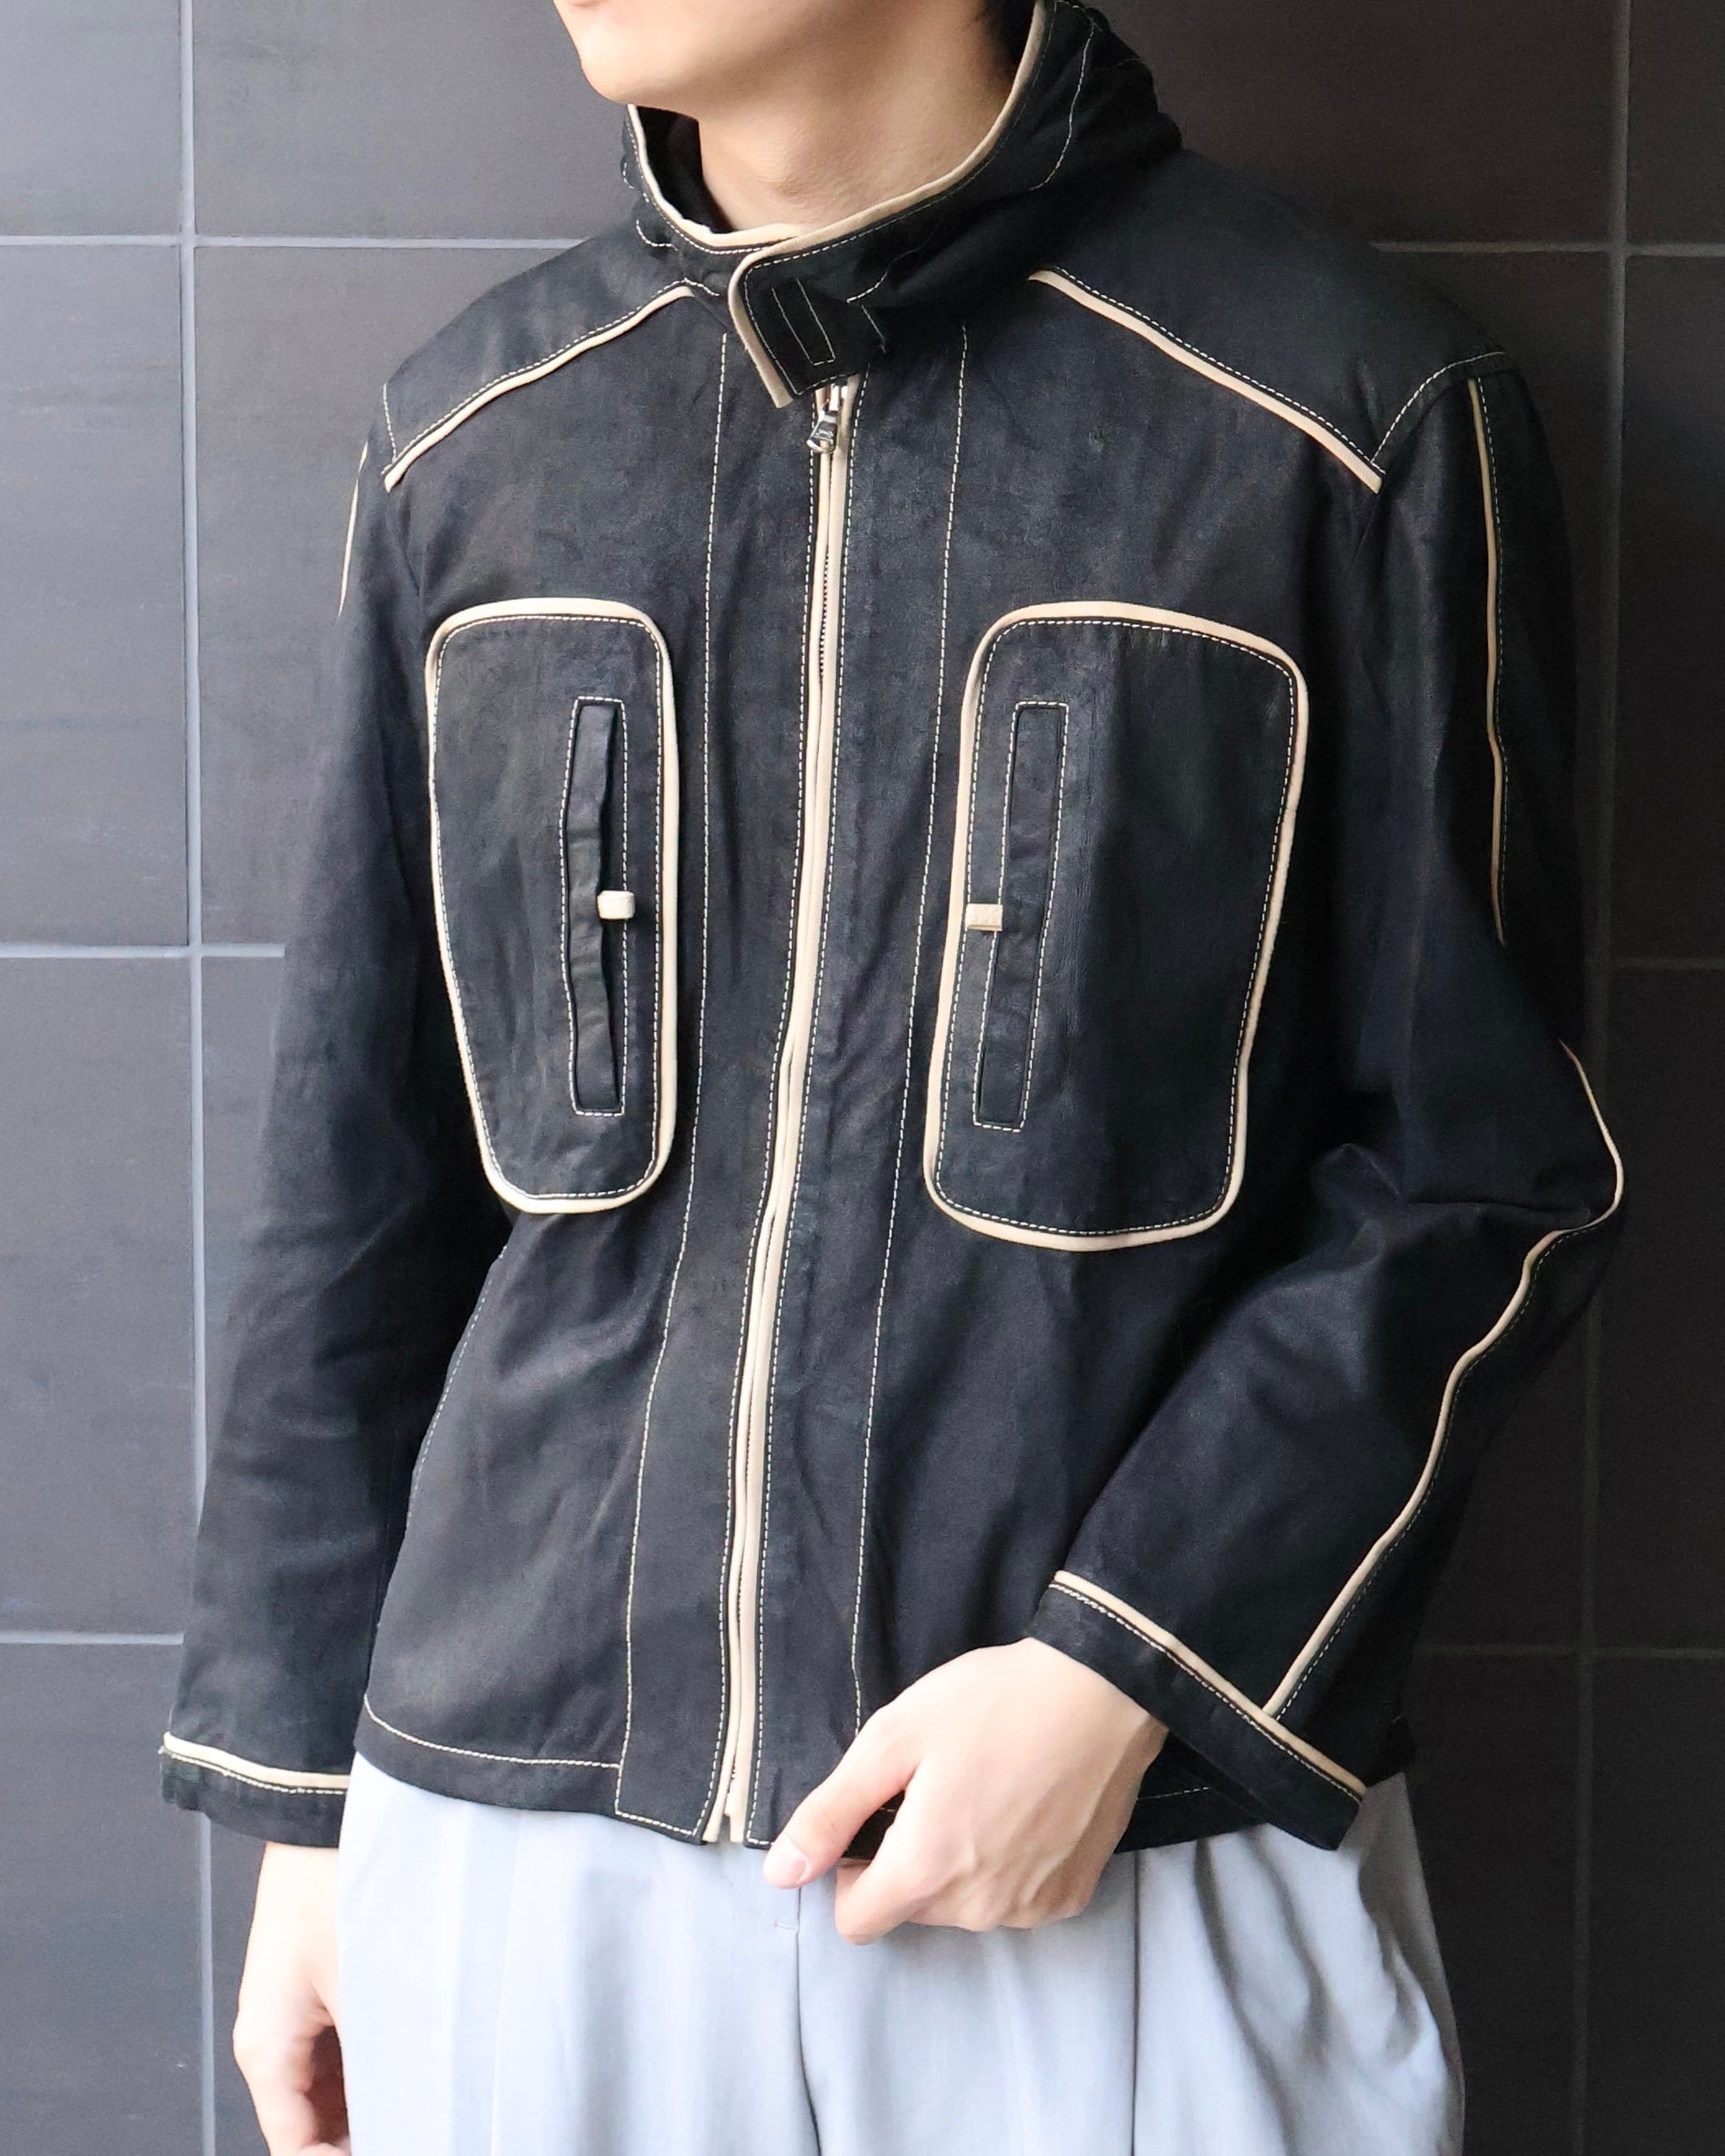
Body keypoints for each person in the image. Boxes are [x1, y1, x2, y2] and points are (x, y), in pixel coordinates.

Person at [161, 2, 1625, 2150]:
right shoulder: (477, 438)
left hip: (1120, 1847)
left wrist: (1128, 1670)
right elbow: (360, 1192)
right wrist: (313, 1810)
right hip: (520, 1844)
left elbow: (1484, 1173)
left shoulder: (1340, 414)